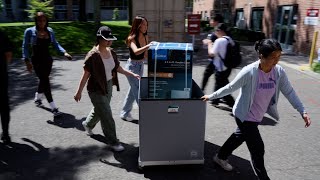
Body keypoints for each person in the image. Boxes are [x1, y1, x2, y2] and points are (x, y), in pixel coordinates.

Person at [201, 39, 311, 179]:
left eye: (279, 56)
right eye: (273, 57)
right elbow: (230, 87)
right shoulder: (250, 72)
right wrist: (211, 96)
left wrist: (302, 111)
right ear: (261, 56)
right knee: (258, 149)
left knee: (239, 136)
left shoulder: (278, 72)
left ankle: (220, 157)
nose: (277, 61)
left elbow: (289, 92)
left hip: (257, 115)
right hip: (244, 115)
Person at [74, 26, 140, 152]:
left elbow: (118, 68)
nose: (110, 41)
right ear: (99, 39)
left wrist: (131, 74)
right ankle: (113, 141)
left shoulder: (111, 52)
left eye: (111, 39)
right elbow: (85, 76)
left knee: (100, 110)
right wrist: (78, 92)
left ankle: (87, 124)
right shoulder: (92, 56)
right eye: (107, 39)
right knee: (107, 115)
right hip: (96, 89)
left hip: (108, 86)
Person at [22, 12, 72, 117]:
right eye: (39, 20)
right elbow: (25, 47)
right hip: (36, 60)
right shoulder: (29, 31)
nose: (42, 22)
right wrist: (27, 61)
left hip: (48, 60)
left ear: (46, 21)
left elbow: (55, 44)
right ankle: (53, 107)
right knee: (45, 80)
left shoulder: (50, 31)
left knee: (43, 79)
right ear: (36, 21)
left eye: (44, 20)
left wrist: (64, 52)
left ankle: (37, 97)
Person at [120, 15, 154, 121]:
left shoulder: (145, 36)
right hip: (131, 67)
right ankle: (147, 115)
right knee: (138, 91)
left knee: (132, 91)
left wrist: (154, 61)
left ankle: (124, 113)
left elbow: (145, 55)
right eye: (144, 24)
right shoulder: (132, 38)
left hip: (140, 65)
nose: (146, 26)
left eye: (146, 24)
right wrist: (148, 46)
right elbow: (136, 51)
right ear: (138, 25)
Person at [207, 23, 235, 107]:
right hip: (228, 67)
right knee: (219, 83)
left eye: (216, 30)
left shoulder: (219, 41)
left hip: (220, 68)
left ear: (221, 31)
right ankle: (215, 100)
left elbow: (211, 54)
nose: (215, 32)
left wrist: (209, 44)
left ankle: (234, 105)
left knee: (224, 88)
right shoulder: (230, 39)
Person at [201, 14, 224, 92]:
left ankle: (201, 91)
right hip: (217, 60)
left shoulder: (217, 32)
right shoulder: (217, 31)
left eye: (211, 20)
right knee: (219, 79)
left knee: (209, 75)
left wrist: (208, 43)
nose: (210, 21)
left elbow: (212, 50)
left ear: (216, 21)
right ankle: (216, 99)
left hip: (217, 59)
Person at [0, 31, 13, 145]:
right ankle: (5, 134)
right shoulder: (1, 34)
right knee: (3, 105)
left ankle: (5, 134)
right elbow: (8, 55)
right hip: (1, 75)